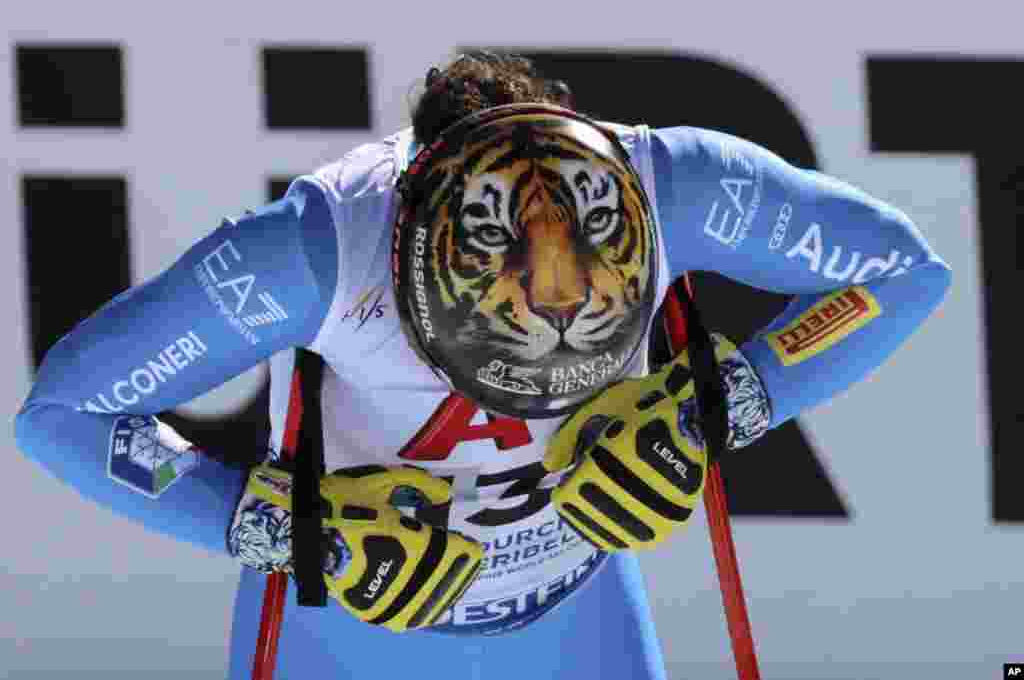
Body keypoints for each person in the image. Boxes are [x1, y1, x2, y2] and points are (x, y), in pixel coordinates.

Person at [14, 51, 951, 679]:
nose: (547, 331)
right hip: (352, 636)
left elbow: (907, 272)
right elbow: (60, 415)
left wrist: (731, 403)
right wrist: (283, 532)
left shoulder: (670, 186)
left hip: (577, 618)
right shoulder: (314, 248)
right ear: (408, 240)